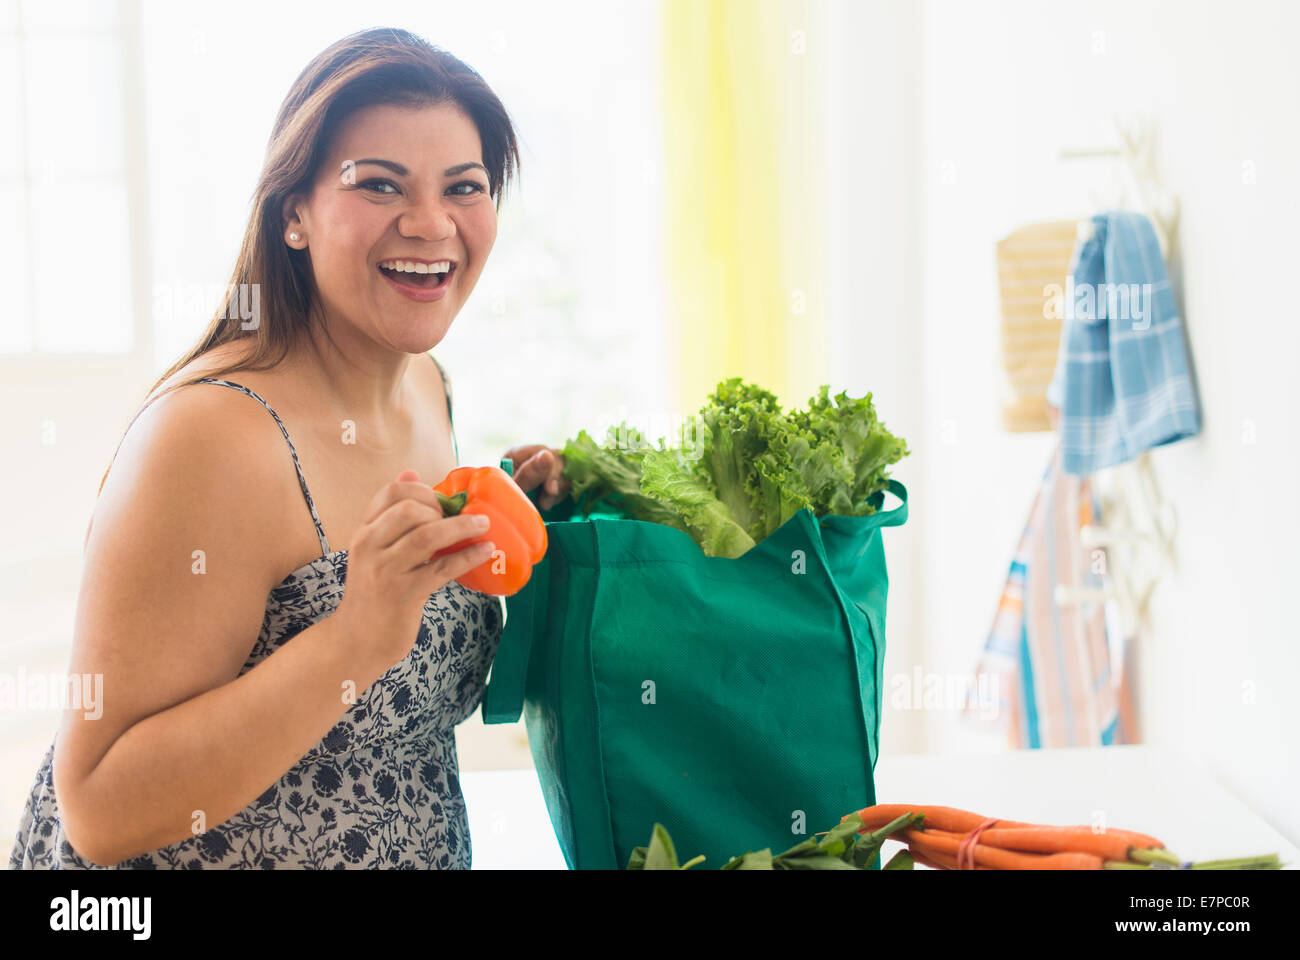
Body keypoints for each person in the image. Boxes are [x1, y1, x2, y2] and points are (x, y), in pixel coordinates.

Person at [9, 26, 568, 870]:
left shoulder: (426, 385)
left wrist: (494, 503)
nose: (430, 223)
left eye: (465, 186)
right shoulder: (211, 438)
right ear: (294, 213)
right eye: (379, 185)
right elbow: (100, 811)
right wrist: (352, 640)